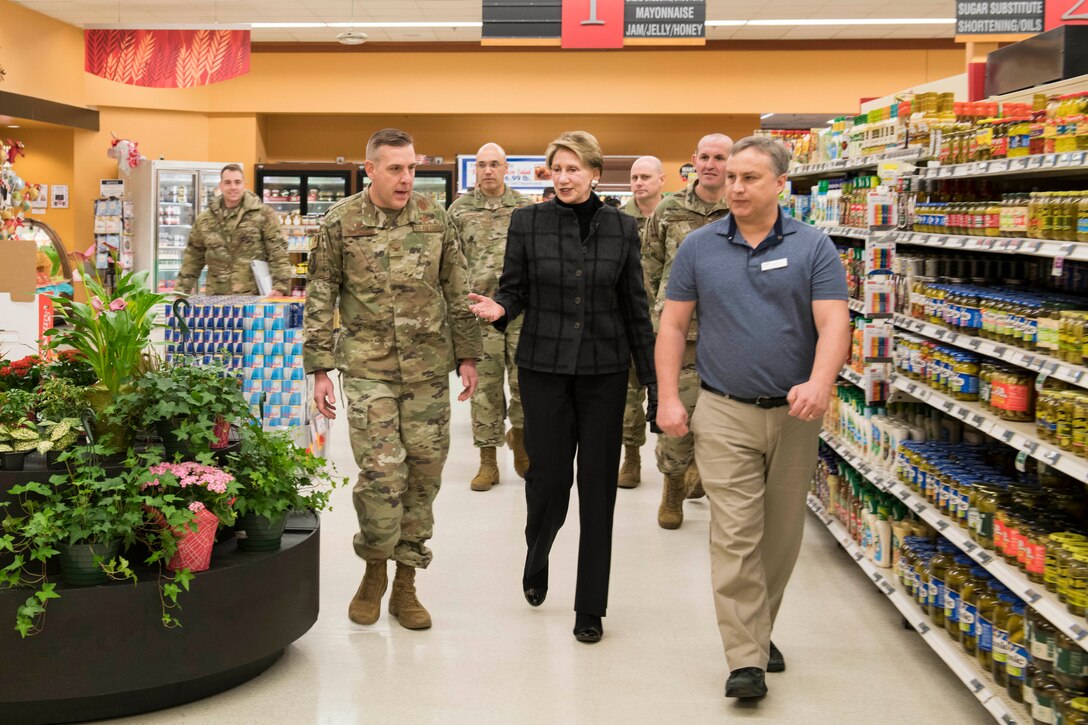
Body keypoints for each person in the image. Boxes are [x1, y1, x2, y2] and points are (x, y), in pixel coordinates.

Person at [656, 136, 850, 699]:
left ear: (780, 185)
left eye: (749, 178)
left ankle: (759, 630)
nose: (734, 186)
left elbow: (834, 324)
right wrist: (668, 397)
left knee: (782, 536)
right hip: (723, 410)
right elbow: (671, 326)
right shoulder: (698, 247)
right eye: (730, 177)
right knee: (735, 533)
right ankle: (746, 658)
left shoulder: (815, 247)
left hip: (794, 415)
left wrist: (820, 383)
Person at [468, 131, 656, 644]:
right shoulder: (528, 222)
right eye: (558, 169)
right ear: (549, 175)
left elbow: (635, 308)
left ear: (595, 172)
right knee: (547, 480)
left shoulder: (620, 228)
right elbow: (515, 286)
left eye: (575, 169)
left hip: (605, 371)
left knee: (598, 490)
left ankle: (589, 606)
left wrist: (655, 385)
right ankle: (538, 547)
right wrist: (502, 306)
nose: (566, 178)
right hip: (543, 368)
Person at [303, 128, 483, 631]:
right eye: (396, 169)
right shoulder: (340, 223)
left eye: (412, 168)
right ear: (371, 170)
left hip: (428, 370)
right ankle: (374, 568)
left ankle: (407, 582)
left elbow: (458, 288)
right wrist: (319, 368)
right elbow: (321, 294)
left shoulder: (435, 218)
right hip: (366, 368)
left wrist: (468, 356)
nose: (407, 178)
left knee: (424, 477)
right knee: (383, 474)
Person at [642, 134, 732, 528]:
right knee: (677, 417)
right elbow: (649, 267)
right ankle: (672, 487)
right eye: (705, 157)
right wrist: (652, 319)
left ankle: (703, 474)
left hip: (730, 333)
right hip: (680, 335)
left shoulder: (743, 207)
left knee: (725, 420)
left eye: (720, 158)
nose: (711, 164)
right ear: (694, 160)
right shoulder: (669, 209)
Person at [448, 143, 534, 492]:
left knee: (524, 385)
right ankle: (487, 462)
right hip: (477, 315)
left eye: (493, 164)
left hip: (520, 313)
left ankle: (523, 442)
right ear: (475, 170)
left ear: (505, 168)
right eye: (481, 165)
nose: (487, 170)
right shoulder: (458, 211)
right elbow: (450, 265)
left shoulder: (526, 210)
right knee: (483, 390)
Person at [617, 155, 666, 488]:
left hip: (673, 322)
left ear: (662, 180)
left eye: (646, 177)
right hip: (628, 322)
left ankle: (675, 466)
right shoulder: (618, 220)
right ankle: (631, 458)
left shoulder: (673, 216)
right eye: (634, 177)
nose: (639, 183)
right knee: (629, 397)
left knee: (670, 393)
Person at [175, 164, 291, 296]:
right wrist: (181, 291)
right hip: (217, 298)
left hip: (253, 297)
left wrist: (280, 286)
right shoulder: (205, 219)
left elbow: (278, 252)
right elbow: (193, 257)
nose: (233, 187)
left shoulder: (264, 214)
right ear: (221, 185)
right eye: (228, 183)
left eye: (237, 182)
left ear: (244, 184)